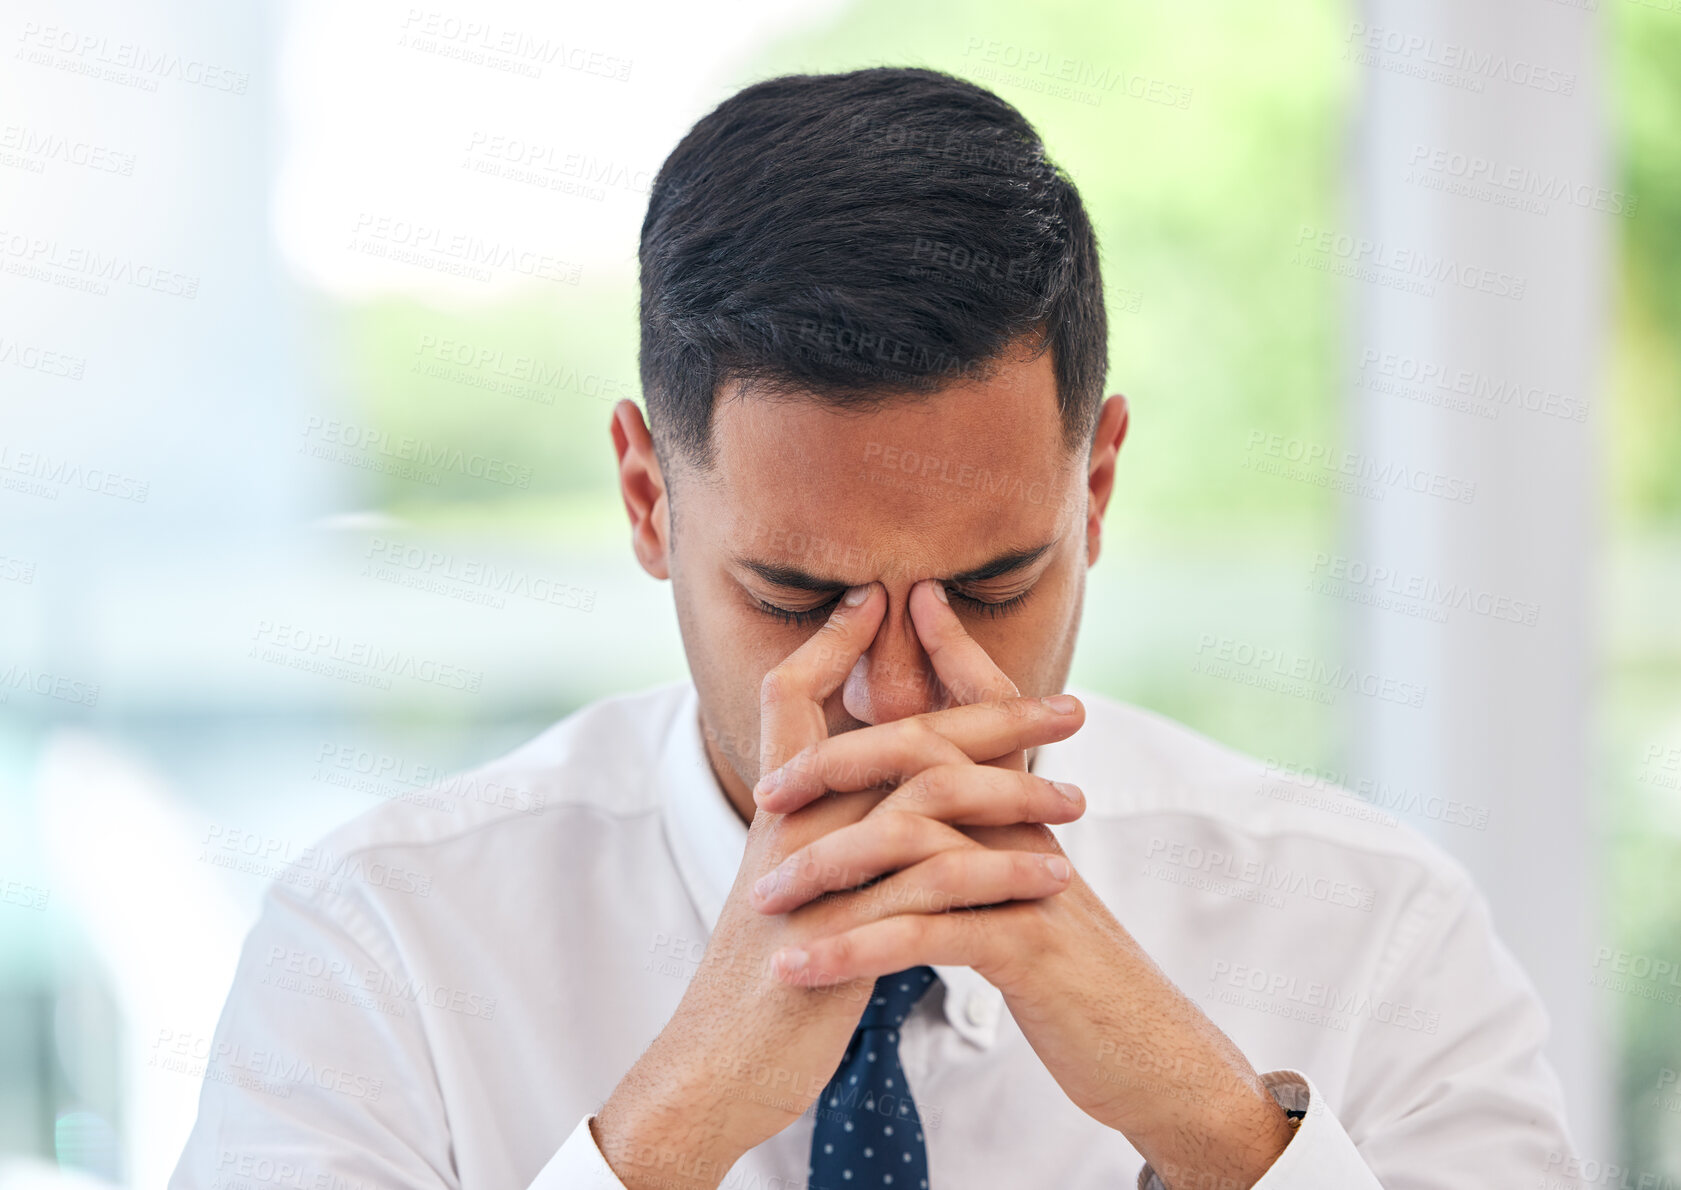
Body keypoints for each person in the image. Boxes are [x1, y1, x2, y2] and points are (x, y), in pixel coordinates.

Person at [173, 67, 1578, 1190]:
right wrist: (660, 1139)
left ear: (1094, 485)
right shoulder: (382, 950)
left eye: (990, 584)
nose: (898, 695)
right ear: (647, 494)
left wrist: (1218, 1133)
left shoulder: (1370, 929)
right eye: (797, 599)